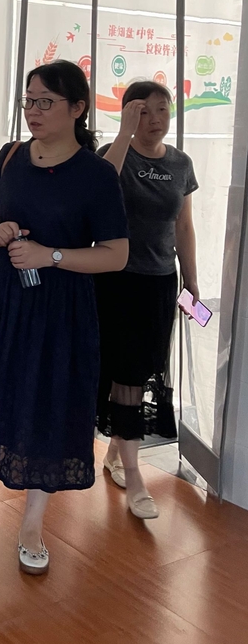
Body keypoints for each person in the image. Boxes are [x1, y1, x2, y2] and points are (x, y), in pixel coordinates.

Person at [0, 60, 129, 575]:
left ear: (78, 108)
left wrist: (51, 255)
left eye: (45, 102)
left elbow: (115, 255)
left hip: (59, 310)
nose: (33, 111)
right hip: (0, 299)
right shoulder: (11, 155)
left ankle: (32, 525)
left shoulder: (96, 175)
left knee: (45, 403)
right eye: (28, 101)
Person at [96, 81, 199, 519]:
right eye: (143, 111)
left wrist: (191, 282)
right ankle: (135, 475)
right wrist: (123, 134)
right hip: (117, 279)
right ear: (128, 114)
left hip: (160, 283)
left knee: (142, 371)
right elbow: (99, 187)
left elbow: (183, 226)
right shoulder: (115, 153)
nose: (154, 119)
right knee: (125, 374)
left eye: (162, 110)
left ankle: (116, 454)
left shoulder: (180, 163)